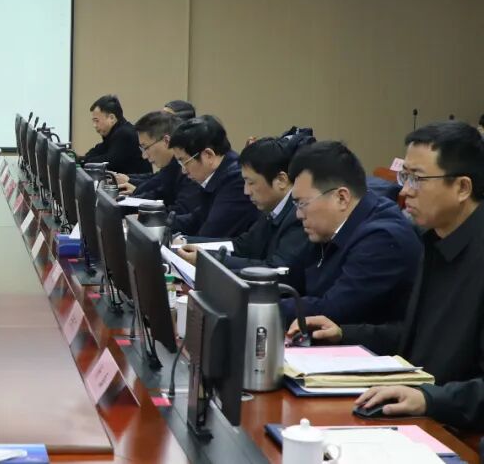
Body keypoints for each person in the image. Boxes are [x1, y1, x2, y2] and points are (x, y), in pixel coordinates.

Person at [288, 122, 484, 430]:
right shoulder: (434, 242)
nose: (404, 191)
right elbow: (415, 338)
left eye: (417, 179)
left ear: (462, 188)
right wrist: (345, 334)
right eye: (405, 177)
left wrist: (430, 399)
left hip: (457, 428)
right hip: (418, 410)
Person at [280, 140, 420, 326]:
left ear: (341, 198)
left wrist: (262, 307)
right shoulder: (329, 227)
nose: (298, 214)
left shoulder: (382, 239)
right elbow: (291, 275)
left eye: (302, 203)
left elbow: (332, 311)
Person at [177, 133, 312, 270]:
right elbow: (242, 246)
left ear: (281, 180)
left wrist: (208, 261)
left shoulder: (299, 216)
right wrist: (185, 242)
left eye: (251, 183)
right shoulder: (272, 209)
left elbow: (276, 269)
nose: (246, 191)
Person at [168, 115, 257, 237]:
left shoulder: (236, 181)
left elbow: (210, 234)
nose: (184, 171)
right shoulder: (219, 174)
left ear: (208, 155)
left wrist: (181, 241)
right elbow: (196, 219)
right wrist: (157, 222)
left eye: (184, 162)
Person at [114, 111, 201, 219]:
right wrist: (119, 204)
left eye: (146, 148)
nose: (144, 156)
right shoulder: (170, 167)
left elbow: (181, 211)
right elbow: (156, 195)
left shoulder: (190, 168)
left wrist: (143, 217)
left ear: (166, 141)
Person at [80, 95, 151, 175]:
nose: (94, 125)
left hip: (138, 182)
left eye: (97, 121)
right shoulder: (115, 133)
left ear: (112, 118)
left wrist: (83, 161)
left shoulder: (124, 134)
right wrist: (82, 159)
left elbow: (108, 162)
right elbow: (98, 150)